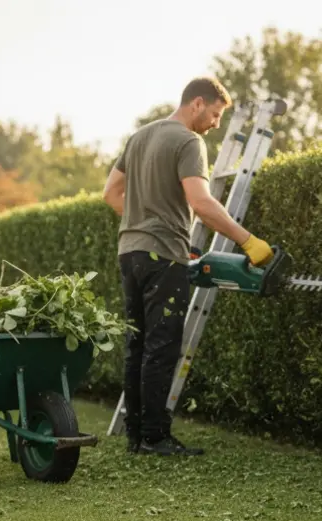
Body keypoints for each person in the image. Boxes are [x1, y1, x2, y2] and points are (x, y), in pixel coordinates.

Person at [102, 76, 274, 456]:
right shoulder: (188, 141)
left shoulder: (140, 136)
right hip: (162, 256)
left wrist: (144, 221)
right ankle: (155, 437)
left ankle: (136, 436)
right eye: (214, 114)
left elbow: (111, 193)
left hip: (129, 252)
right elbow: (201, 202)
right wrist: (247, 240)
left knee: (138, 344)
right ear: (197, 103)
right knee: (161, 347)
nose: (215, 124)